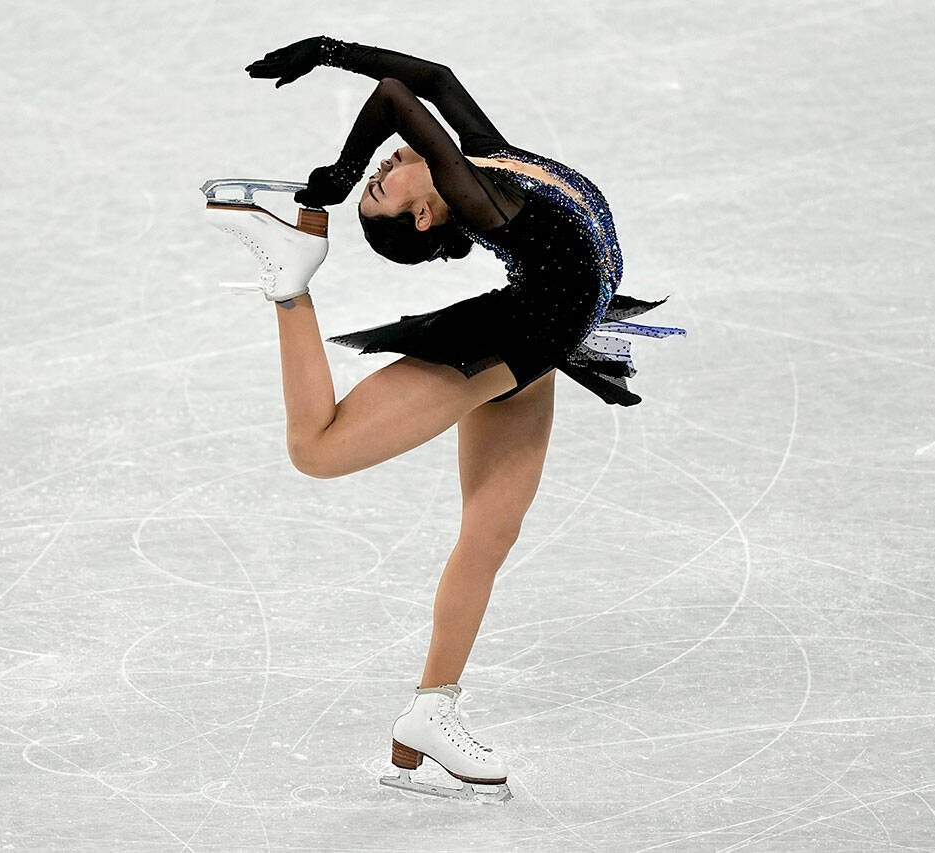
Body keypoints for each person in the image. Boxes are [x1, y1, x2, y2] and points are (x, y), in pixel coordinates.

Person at [213, 36, 684, 803]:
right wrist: (337, 171)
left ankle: (429, 712)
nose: (382, 167)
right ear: (432, 213)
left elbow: (432, 80)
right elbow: (399, 98)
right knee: (317, 449)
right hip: (499, 348)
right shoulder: (481, 198)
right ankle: (289, 281)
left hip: (535, 351)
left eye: (377, 175)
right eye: (381, 187)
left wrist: (329, 52)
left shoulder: (491, 160)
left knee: (490, 533)